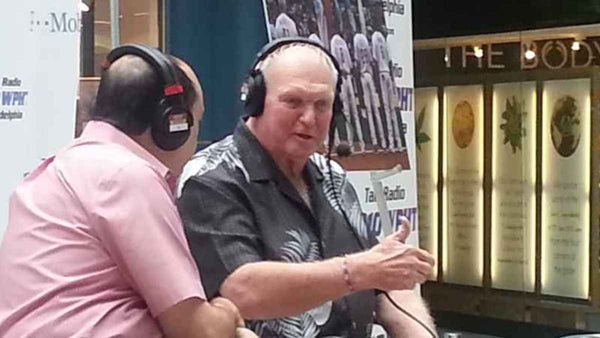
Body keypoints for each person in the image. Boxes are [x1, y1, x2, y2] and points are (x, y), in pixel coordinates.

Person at [177, 38, 435, 337]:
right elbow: (242, 290)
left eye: (322, 105)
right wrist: (357, 271)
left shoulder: (333, 176)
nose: (309, 118)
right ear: (256, 100)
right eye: (293, 102)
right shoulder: (211, 178)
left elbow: (383, 286)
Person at [0, 45, 254, 338]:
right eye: (196, 120)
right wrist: (225, 310)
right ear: (173, 124)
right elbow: (199, 332)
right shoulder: (126, 176)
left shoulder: (61, 167)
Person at [354, 32, 387, 150]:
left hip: (364, 76)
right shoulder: (368, 42)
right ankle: (381, 141)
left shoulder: (357, 40)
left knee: (369, 110)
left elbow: (357, 62)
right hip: (370, 76)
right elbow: (373, 61)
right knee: (375, 111)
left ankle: (375, 140)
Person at [371, 30, 403, 151]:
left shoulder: (374, 37)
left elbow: (374, 59)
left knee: (387, 109)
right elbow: (389, 60)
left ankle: (390, 143)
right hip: (388, 74)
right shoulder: (384, 40)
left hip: (382, 74)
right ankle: (398, 143)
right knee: (393, 111)